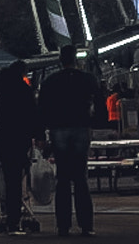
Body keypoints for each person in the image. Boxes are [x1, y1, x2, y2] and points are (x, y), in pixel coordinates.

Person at [36, 46, 102, 237]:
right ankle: (86, 224)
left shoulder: (51, 81)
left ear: (60, 59)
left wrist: (42, 132)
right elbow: (98, 100)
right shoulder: (87, 79)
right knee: (81, 177)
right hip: (81, 127)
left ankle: (63, 225)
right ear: (75, 58)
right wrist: (94, 122)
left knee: (63, 178)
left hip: (59, 129)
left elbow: (42, 107)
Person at [0, 61, 37, 234]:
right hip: (19, 140)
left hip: (3, 140)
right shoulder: (24, 91)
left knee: (4, 179)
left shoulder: (0, 91)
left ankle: (3, 214)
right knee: (16, 183)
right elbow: (32, 115)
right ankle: (13, 220)